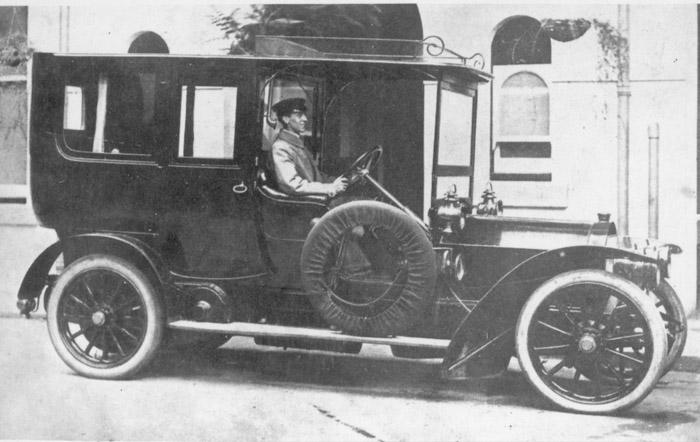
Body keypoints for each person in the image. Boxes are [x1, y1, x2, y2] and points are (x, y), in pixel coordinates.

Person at [270, 98, 348, 198]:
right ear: (286, 119)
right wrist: (330, 187)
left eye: (304, 114)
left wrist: (336, 181)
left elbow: (315, 176)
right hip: (304, 204)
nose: (305, 119)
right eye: (299, 115)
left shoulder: (297, 144)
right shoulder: (281, 147)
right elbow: (293, 185)